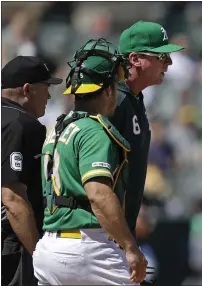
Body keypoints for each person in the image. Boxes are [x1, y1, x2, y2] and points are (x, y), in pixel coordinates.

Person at [32, 39, 147, 285]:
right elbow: (98, 194)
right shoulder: (93, 130)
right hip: (86, 247)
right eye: (115, 86)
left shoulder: (59, 127)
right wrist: (130, 247)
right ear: (107, 90)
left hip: (50, 247)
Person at [109, 21, 184, 237]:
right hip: (101, 234)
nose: (169, 62)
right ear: (134, 59)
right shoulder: (115, 102)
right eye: (161, 56)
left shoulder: (134, 99)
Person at [1, 56, 62, 286]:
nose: (49, 95)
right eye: (46, 88)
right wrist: (39, 254)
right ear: (27, 89)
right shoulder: (21, 124)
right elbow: (13, 199)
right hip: (12, 244)